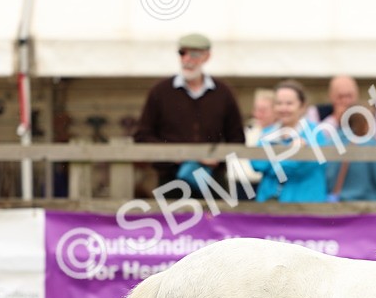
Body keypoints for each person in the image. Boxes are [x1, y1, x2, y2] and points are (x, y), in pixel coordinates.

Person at [134, 33, 245, 197]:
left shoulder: (224, 92)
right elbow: (143, 135)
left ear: (207, 56)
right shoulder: (160, 91)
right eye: (182, 53)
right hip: (171, 179)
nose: (187, 59)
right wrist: (173, 154)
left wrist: (216, 157)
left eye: (194, 54)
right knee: (171, 222)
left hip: (212, 179)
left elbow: (237, 138)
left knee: (217, 222)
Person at [251, 80, 328, 202]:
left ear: (302, 106)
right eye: (279, 103)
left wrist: (274, 161)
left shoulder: (315, 134)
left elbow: (304, 169)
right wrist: (293, 154)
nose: (283, 108)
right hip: (270, 206)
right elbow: (256, 164)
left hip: (306, 206)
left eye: (289, 103)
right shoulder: (268, 133)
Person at [324, 110, 376, 202]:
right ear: (367, 123)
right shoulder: (371, 145)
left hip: (338, 206)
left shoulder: (330, 144)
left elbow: (327, 178)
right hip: (368, 206)